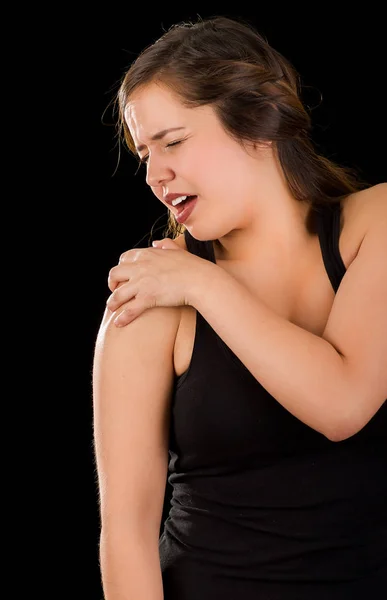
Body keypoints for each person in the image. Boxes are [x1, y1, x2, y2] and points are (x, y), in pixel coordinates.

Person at [92, 15, 387, 600]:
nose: (155, 174)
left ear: (259, 117)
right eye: (144, 152)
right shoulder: (149, 296)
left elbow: (344, 403)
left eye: (172, 141)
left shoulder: (375, 225)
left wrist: (206, 286)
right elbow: (125, 537)